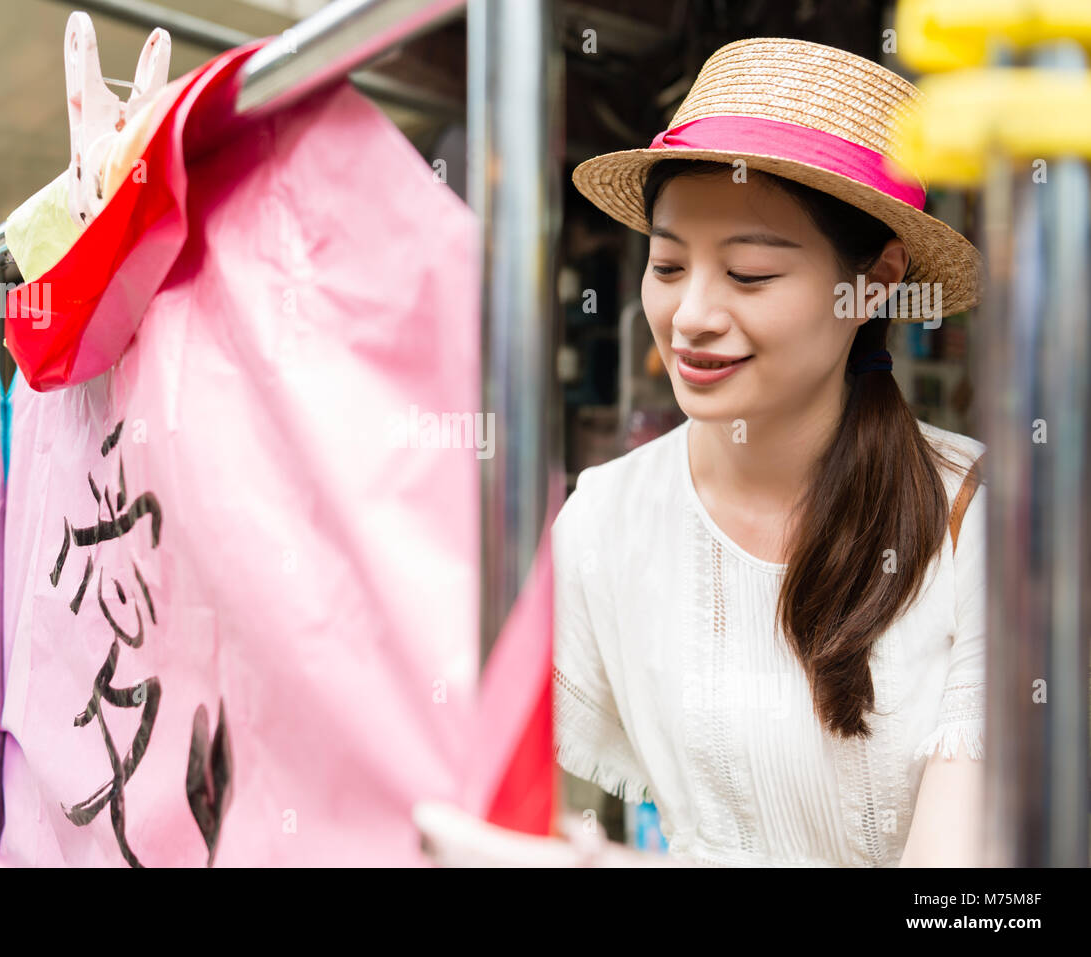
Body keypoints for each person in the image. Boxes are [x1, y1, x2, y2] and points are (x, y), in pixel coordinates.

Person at [416, 37, 987, 867]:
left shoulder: (983, 523)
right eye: (669, 265)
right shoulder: (608, 518)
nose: (690, 316)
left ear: (875, 282)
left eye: (750, 274)